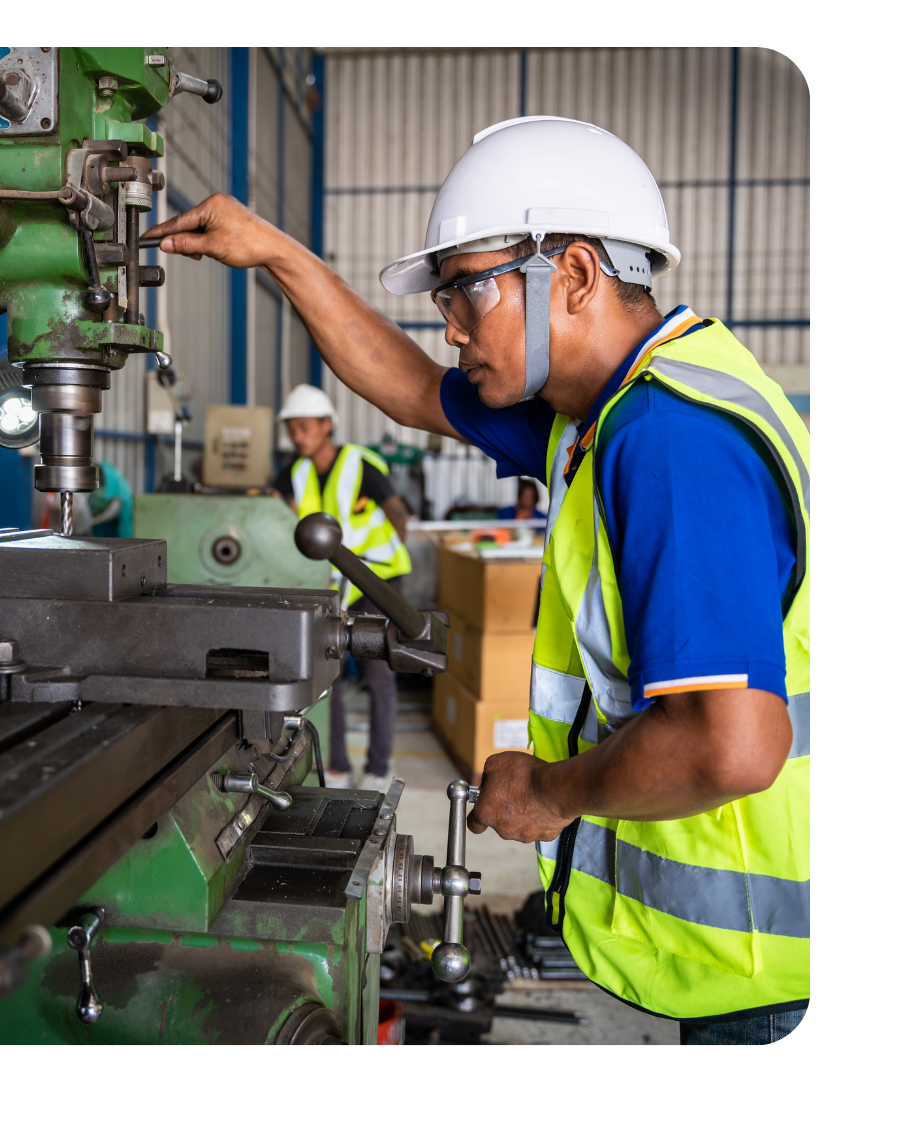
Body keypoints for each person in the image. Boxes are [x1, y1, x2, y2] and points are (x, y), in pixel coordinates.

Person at [145, 113, 809, 1044]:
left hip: (768, 977)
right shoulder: (600, 418)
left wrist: (550, 791)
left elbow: (733, 745)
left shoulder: (670, 439)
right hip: (737, 963)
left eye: (466, 291)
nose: (450, 326)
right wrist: (279, 255)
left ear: (571, 276)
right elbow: (415, 389)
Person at [273, 384, 413, 788]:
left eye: (304, 428)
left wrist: (388, 578)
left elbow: (399, 515)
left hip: (378, 579)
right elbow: (267, 506)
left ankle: (377, 769)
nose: (298, 436)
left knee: (378, 673)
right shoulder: (295, 473)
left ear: (326, 425)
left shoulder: (360, 465)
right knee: (327, 675)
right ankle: (334, 766)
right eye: (292, 429)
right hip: (335, 583)